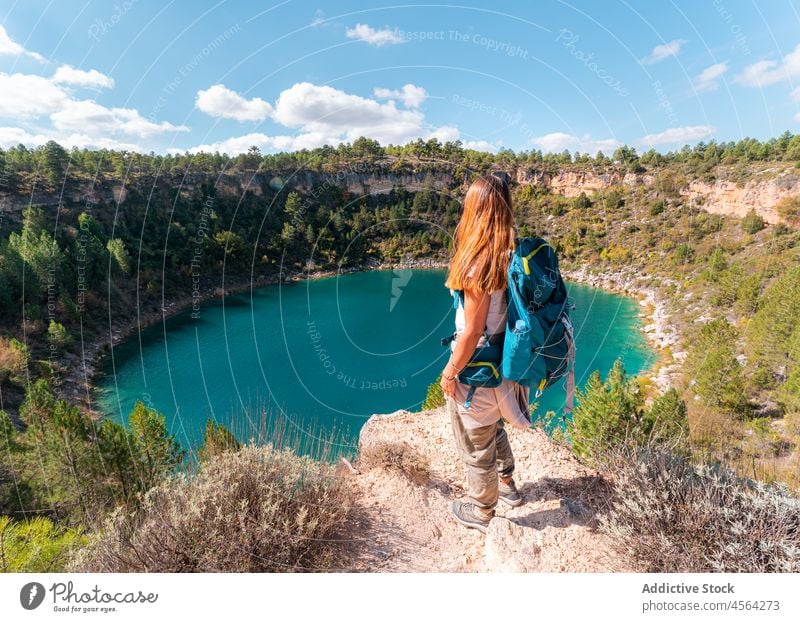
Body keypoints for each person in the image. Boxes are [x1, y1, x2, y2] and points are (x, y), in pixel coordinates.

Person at [440, 173, 531, 534]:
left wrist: (450, 372)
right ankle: (508, 486)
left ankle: (482, 512)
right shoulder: (512, 252)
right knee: (493, 428)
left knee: (476, 443)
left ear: (475, 208)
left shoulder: (479, 262)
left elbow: (472, 331)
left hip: (479, 370)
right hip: (507, 364)